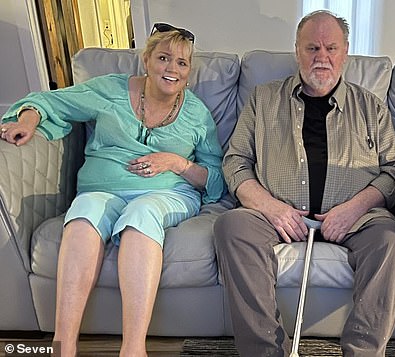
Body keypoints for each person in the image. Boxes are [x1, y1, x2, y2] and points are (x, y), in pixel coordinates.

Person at [1, 23, 226, 356]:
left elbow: (216, 177)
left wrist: (176, 163)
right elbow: (52, 103)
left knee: (141, 214)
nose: (172, 69)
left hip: (167, 194)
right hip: (101, 189)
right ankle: (63, 346)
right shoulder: (110, 90)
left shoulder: (196, 114)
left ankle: (133, 349)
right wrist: (27, 121)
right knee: (84, 214)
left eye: (182, 63)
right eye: (164, 58)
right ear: (147, 60)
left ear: (189, 72)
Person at [215, 10, 395, 357]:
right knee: (232, 226)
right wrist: (271, 208)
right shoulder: (263, 99)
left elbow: (393, 168)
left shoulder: (371, 107)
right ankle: (265, 351)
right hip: (277, 211)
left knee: (390, 242)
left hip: (356, 217)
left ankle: (363, 353)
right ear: (297, 51)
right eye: (312, 48)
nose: (322, 57)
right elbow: (235, 162)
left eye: (331, 48)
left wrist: (352, 209)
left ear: (345, 51)